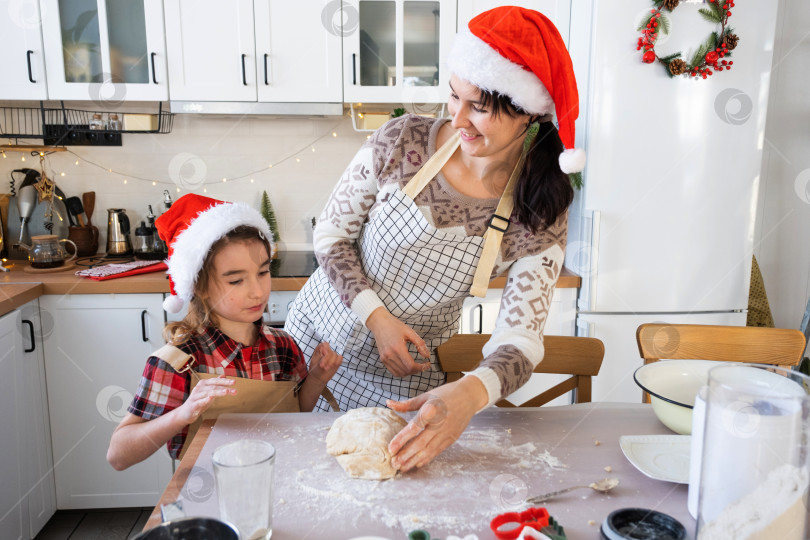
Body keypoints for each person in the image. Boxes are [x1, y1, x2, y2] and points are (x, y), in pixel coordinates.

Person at [285, 6, 584, 472]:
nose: (459, 118)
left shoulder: (539, 208)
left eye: (479, 107)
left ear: (526, 112)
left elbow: (521, 342)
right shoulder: (403, 139)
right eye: (453, 97)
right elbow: (331, 235)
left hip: (399, 382)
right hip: (313, 346)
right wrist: (377, 319)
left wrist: (470, 393)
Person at [107, 194, 341, 470]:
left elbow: (296, 412)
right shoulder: (179, 363)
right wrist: (184, 413)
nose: (257, 291)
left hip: (279, 481)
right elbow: (119, 455)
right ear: (200, 286)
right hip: (207, 492)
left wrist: (316, 377)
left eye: (263, 272)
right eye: (236, 280)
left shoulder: (283, 347)